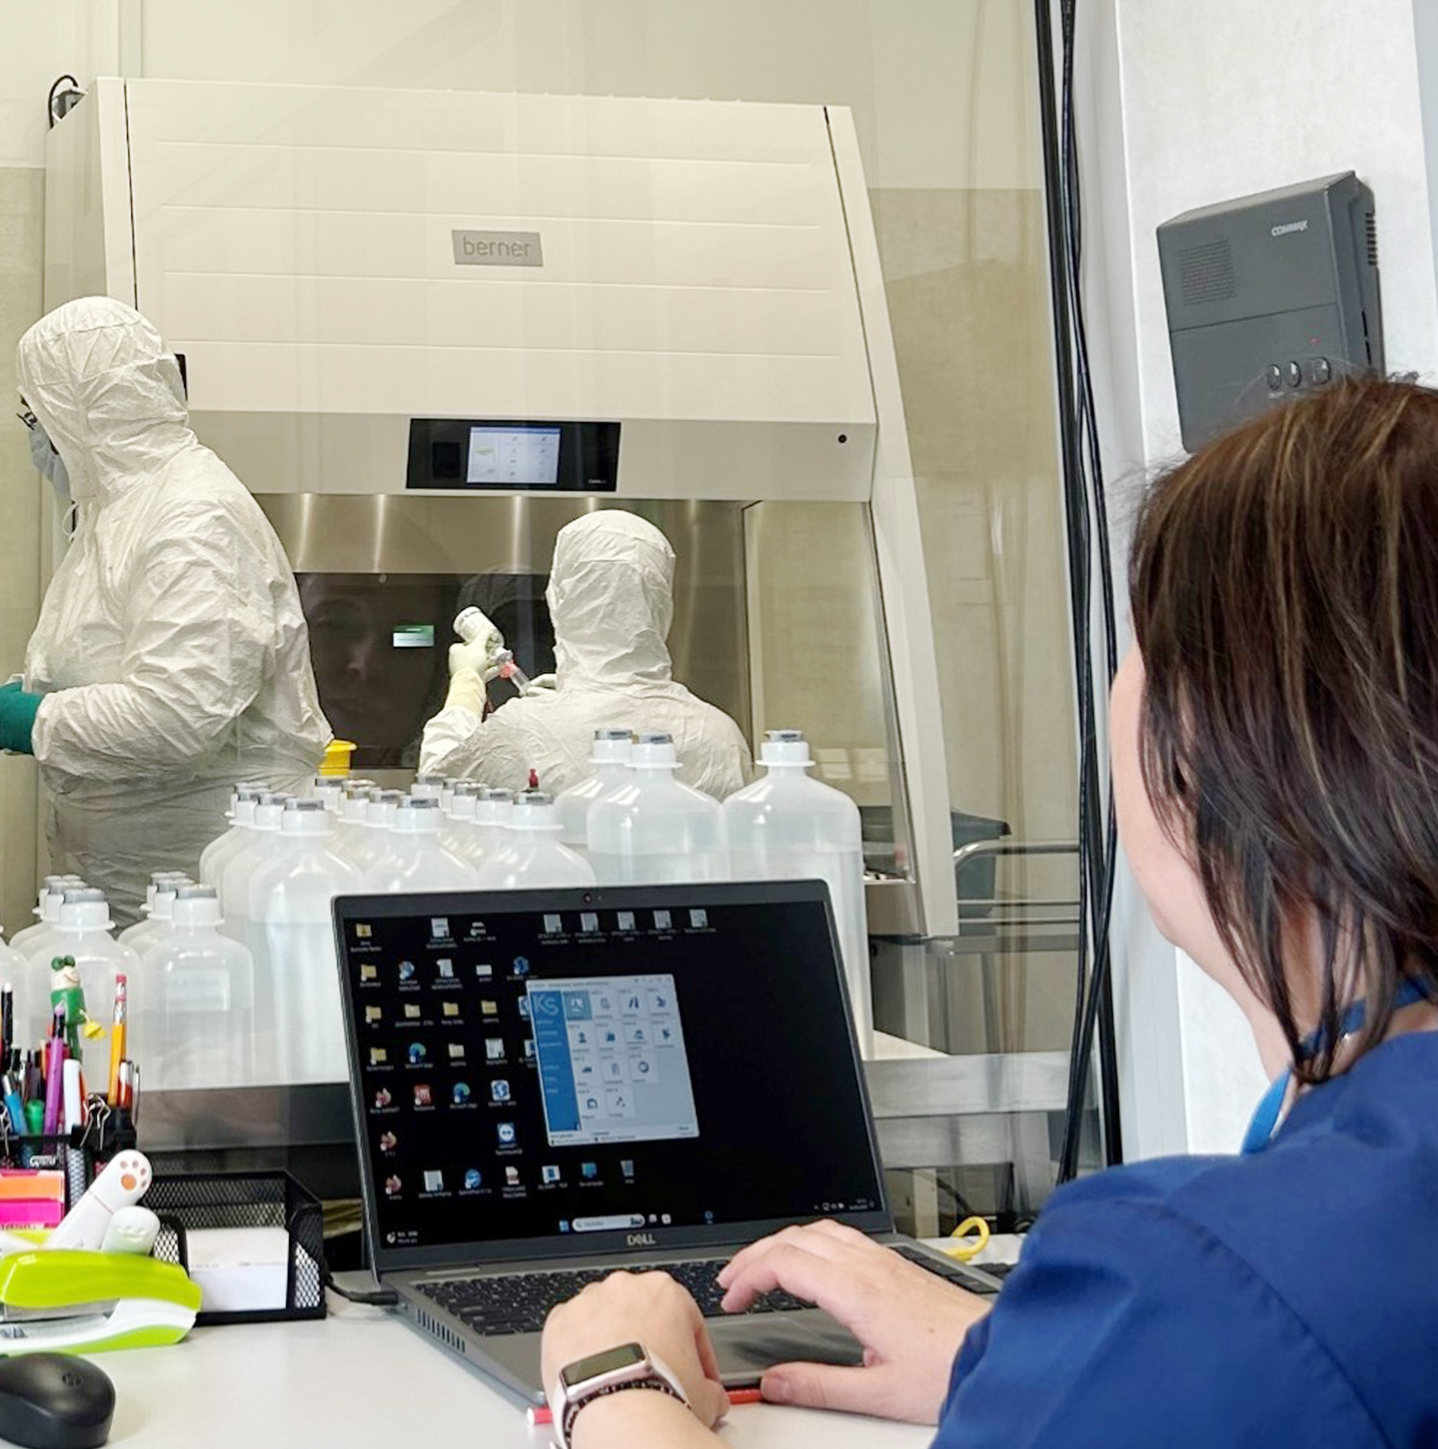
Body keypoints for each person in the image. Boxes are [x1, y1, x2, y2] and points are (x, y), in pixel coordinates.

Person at [532, 374, 1438, 1447]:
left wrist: (613, 1385)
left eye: (1144, 643)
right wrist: (1044, 1359)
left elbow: (1258, 1347)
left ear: (1226, 754)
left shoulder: (1223, 1288)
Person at [0, 297, 331, 910]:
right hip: (135, 882)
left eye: (34, 415)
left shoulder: (194, 517)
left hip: (205, 888)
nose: (36, 436)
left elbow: (176, 714)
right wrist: (25, 698)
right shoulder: (119, 511)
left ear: (78, 410)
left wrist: (19, 719)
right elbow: (110, 660)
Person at [417, 511, 748, 798]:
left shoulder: (522, 730)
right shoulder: (721, 736)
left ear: (559, 598)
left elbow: (437, 789)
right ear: (662, 603)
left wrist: (466, 686)